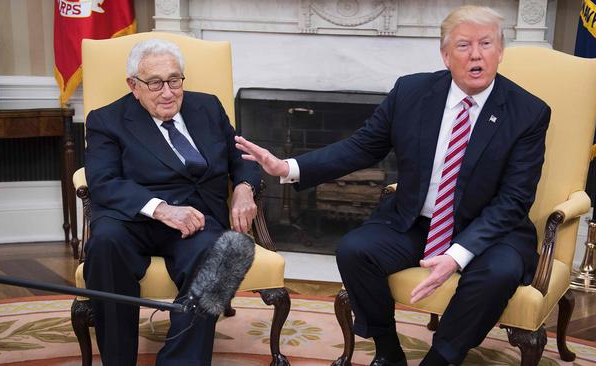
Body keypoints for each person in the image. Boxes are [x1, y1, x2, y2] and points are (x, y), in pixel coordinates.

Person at [235, 5, 550, 366]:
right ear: (446, 55)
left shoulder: (528, 112)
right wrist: (287, 166)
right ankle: (388, 351)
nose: (476, 54)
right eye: (464, 45)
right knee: (356, 250)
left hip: (490, 230)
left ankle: (442, 357)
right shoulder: (412, 92)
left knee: (498, 274)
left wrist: (456, 255)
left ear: (500, 51)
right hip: (418, 220)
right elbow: (360, 147)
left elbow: (513, 200)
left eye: (486, 43)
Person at [83, 38, 260, 365]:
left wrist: (245, 187)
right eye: (155, 83)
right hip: (132, 218)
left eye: (174, 80)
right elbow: (103, 181)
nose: (167, 92)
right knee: (104, 245)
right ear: (133, 86)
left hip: (198, 218)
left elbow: (243, 156)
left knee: (222, 256)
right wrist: (161, 209)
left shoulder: (207, 107)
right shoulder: (106, 120)